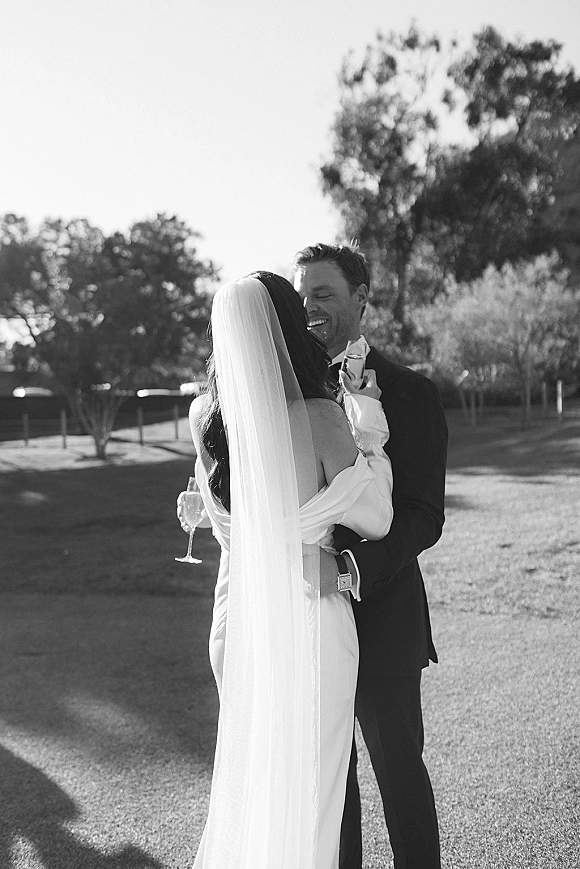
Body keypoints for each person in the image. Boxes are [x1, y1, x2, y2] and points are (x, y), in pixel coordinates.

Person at [183, 271, 395, 869]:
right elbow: (378, 518)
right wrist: (369, 428)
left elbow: (230, 520)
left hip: (240, 619)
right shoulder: (323, 418)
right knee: (311, 795)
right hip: (309, 616)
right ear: (287, 331)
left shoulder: (203, 416)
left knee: (254, 784)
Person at [294, 243, 448, 869]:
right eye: (301, 295)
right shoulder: (286, 393)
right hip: (311, 618)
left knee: (398, 771)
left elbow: (423, 515)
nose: (308, 307)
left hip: (384, 614)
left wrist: (350, 570)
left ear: (360, 298)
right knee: (333, 782)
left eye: (323, 294)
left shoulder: (410, 391)